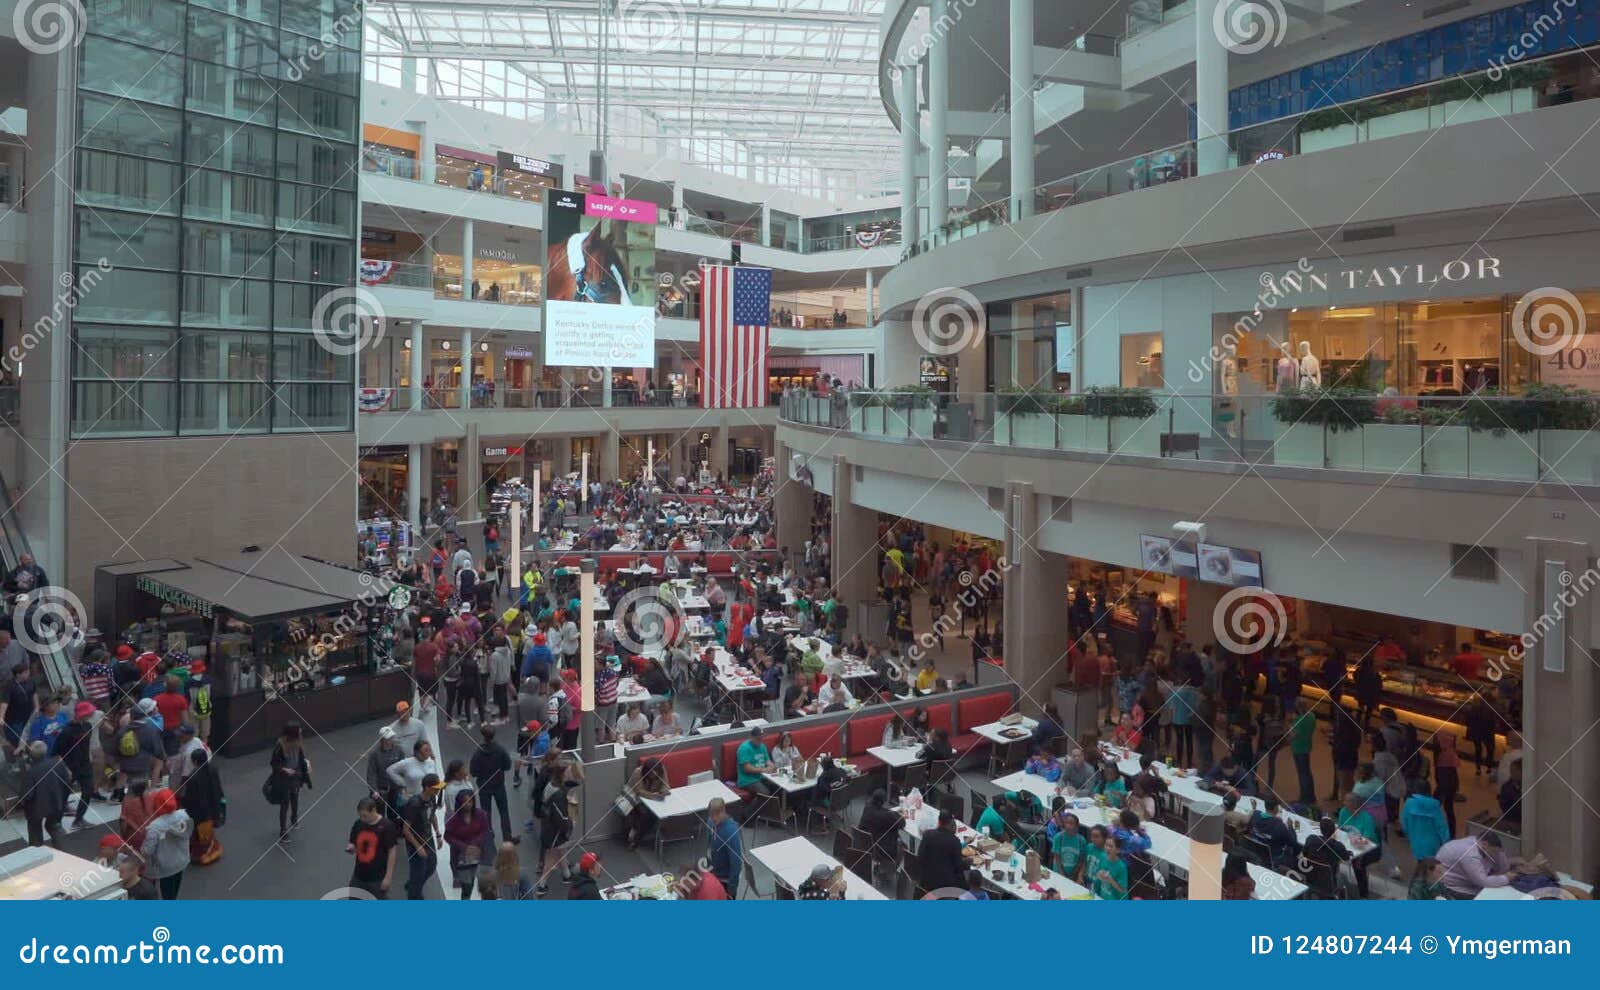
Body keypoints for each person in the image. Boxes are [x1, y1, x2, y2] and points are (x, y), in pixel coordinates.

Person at [140, 788, 192, 900]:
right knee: (174, 892)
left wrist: (141, 849)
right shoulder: (184, 815)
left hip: (165, 866)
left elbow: (148, 850)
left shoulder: (154, 827)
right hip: (181, 861)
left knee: (167, 894)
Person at [444, 789, 494, 899]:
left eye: (470, 801)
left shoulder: (481, 814)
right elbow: (448, 836)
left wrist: (475, 844)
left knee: (487, 886)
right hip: (462, 858)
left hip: (480, 854)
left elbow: (485, 831)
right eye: (465, 802)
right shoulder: (454, 819)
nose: (468, 804)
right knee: (467, 887)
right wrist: (463, 846)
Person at [20, 740, 72, 847]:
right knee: (54, 827)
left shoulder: (31, 772)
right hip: (56, 804)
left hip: (36, 809)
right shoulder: (58, 764)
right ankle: (64, 852)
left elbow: (27, 795)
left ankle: (38, 854)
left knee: (35, 833)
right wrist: (63, 801)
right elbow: (67, 783)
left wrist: (22, 804)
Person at [56, 702, 99, 827]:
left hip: (85, 763)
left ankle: (79, 818)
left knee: (88, 790)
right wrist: (66, 768)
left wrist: (89, 756)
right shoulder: (66, 731)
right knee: (63, 792)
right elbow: (58, 750)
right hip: (70, 765)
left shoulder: (87, 726)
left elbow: (86, 744)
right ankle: (56, 819)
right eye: (89, 713)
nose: (92, 714)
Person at [401, 773, 444, 899]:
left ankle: (414, 885)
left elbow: (432, 815)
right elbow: (406, 829)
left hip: (428, 838)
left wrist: (437, 834)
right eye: (436, 788)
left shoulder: (432, 798)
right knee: (418, 872)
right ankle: (414, 896)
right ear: (427, 787)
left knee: (431, 866)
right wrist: (418, 847)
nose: (438, 790)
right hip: (415, 842)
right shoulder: (414, 804)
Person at [178, 748, 225, 865]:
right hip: (213, 808)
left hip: (199, 813)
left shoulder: (193, 777)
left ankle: (203, 856)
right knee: (207, 834)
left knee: (199, 836)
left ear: (194, 761)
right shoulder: (213, 769)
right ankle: (211, 851)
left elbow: (190, 798)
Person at [267, 721, 312, 842]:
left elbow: (301, 757)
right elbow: (274, 763)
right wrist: (285, 769)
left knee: (295, 797)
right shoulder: (280, 745)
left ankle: (294, 819)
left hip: (295, 776)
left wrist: (306, 765)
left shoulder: (298, 741)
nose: (301, 731)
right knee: (285, 803)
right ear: (292, 733)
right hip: (284, 779)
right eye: (299, 730)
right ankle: (283, 831)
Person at [347, 797, 399, 899]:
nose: (362, 818)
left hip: (377, 878)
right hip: (359, 874)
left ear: (373, 810)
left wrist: (388, 877)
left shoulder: (387, 826)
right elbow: (353, 842)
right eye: (360, 815)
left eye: (365, 816)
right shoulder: (359, 824)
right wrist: (351, 847)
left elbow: (392, 851)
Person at [470, 725, 515, 841]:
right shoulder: (500, 750)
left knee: (486, 813)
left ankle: (488, 837)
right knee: (504, 812)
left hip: (484, 786)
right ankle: (507, 836)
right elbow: (507, 766)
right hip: (499, 785)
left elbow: (473, 772)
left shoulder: (478, 753)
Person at [1436, 834, 1516, 898]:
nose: (1495, 854)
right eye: (1494, 851)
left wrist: (1501, 854)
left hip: (1465, 877)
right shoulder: (1470, 854)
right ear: (1485, 844)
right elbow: (1482, 882)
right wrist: (1506, 878)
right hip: (1452, 886)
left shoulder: (1480, 842)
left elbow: (1503, 867)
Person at [1401, 780, 1451, 860]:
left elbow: (1404, 821)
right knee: (1431, 866)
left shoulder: (1409, 803)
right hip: (1433, 844)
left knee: (1420, 863)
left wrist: (1408, 834)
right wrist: (1447, 842)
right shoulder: (1434, 806)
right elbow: (1442, 827)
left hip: (1416, 842)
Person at [918, 810, 966, 893]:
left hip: (925, 881)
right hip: (945, 886)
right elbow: (958, 867)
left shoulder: (927, 835)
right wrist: (968, 862)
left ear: (939, 822)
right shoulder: (954, 841)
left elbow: (920, 857)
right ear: (951, 823)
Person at [1248, 797, 1300, 870]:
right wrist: (1291, 827)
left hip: (1255, 851)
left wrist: (1254, 808)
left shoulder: (1255, 815)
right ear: (1276, 808)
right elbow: (1293, 843)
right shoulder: (1279, 826)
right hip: (1274, 857)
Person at [706, 797, 743, 892]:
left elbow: (736, 862)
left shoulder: (731, 832)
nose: (714, 818)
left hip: (725, 880)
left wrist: (732, 887)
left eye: (717, 814)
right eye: (711, 814)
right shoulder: (710, 822)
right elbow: (709, 845)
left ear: (724, 811)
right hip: (712, 873)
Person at [857, 788, 902, 863]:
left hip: (863, 843)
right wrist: (893, 813)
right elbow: (902, 823)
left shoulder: (867, 807)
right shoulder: (885, 816)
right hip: (878, 848)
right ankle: (891, 868)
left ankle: (884, 867)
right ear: (883, 802)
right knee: (903, 846)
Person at [1288, 699, 1317, 805]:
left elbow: (1292, 736)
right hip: (1307, 747)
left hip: (1298, 749)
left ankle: (1304, 798)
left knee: (1302, 775)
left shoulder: (1299, 720)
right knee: (1308, 773)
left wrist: (1290, 727)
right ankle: (1311, 795)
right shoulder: (1312, 716)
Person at [1091, 835, 1130, 900]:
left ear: (1118, 850)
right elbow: (1098, 877)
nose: (1107, 848)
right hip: (1102, 896)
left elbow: (1122, 890)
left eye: (1111, 846)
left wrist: (1110, 879)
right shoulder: (1102, 856)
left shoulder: (1121, 867)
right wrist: (1098, 875)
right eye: (1106, 845)